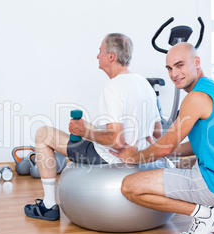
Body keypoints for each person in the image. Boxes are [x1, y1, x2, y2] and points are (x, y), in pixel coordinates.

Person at [110, 42, 214, 234]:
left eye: (180, 65)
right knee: (177, 164)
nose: (174, 73)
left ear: (197, 62)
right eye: (169, 68)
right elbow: (200, 143)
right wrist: (167, 152)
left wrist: (133, 156)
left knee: (129, 187)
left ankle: (205, 215)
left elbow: (165, 146)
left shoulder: (195, 98)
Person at [24, 33, 162, 221]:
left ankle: (48, 206)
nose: (98, 56)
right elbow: (157, 133)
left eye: (100, 52)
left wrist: (85, 132)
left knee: (43, 134)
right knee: (89, 125)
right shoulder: (143, 83)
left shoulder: (112, 87)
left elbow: (116, 140)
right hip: (140, 153)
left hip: (110, 157)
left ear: (111, 56)